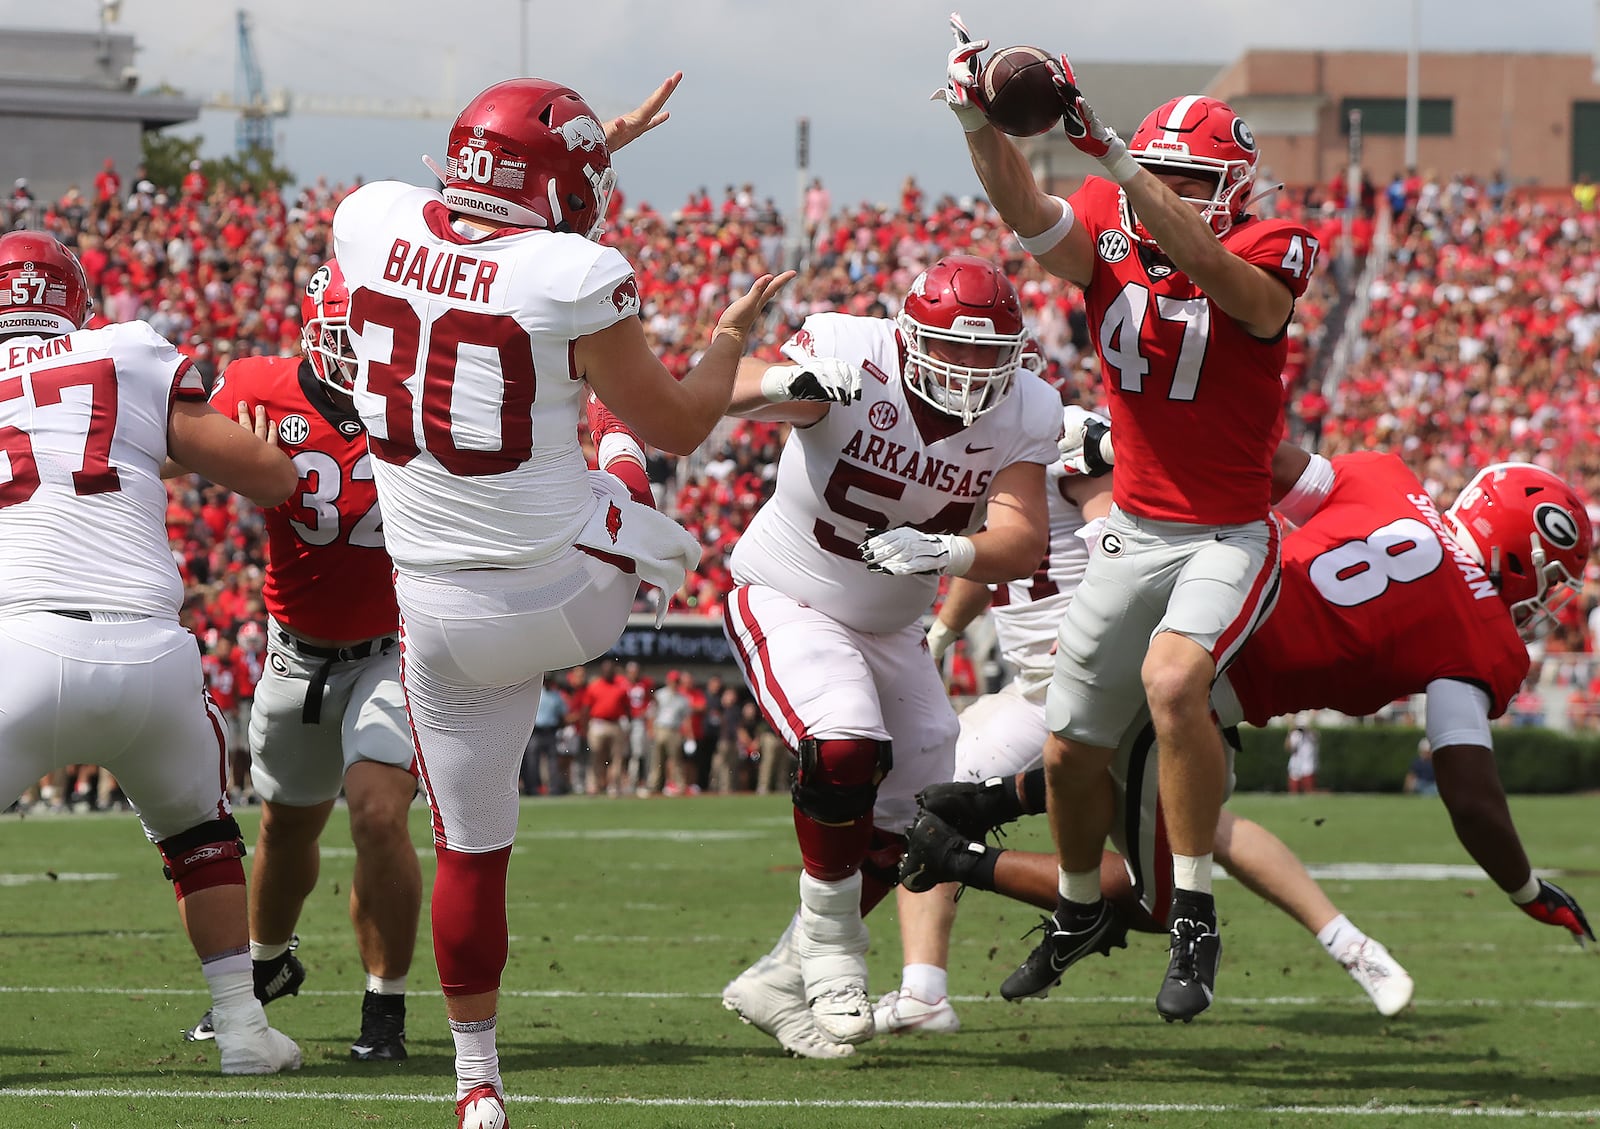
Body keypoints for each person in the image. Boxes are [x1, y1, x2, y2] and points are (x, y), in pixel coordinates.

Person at [332, 73, 792, 1129]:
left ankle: (475, 1083)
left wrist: (572, 158)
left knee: (471, 851)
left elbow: (463, 237)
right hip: (567, 598)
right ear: (560, 188)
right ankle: (624, 474)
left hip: (435, 619)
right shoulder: (574, 269)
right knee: (629, 458)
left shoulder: (367, 219)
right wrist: (726, 343)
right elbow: (684, 423)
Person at [896, 451, 1596, 1015]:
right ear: (1527, 556)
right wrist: (1524, 888)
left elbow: (1261, 462)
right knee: (1153, 900)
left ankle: (987, 804)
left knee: (1117, 776)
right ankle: (956, 857)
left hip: (1160, 604)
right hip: (1184, 693)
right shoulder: (1484, 639)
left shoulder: (1387, 477)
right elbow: (1469, 793)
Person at [940, 17, 1320, 1020]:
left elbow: (1235, 290)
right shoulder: (1114, 217)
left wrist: (1113, 155)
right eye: (1159, 173)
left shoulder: (1274, 243)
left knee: (1171, 678)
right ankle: (1074, 906)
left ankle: (1191, 911)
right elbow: (1027, 212)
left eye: (1187, 179)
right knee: (1067, 746)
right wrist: (979, 124)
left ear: (1229, 190)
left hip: (1226, 532)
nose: (1168, 192)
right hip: (1132, 527)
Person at [718, 253, 1059, 1057]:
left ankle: (780, 971)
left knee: (922, 818)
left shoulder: (1025, 407)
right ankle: (835, 952)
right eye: (954, 347)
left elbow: (1023, 539)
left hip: (894, 628)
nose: (972, 369)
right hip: (789, 593)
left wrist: (949, 551)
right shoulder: (850, 352)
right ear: (906, 337)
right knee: (842, 744)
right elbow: (716, 398)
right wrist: (783, 384)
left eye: (989, 354)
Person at [0, 230, 300, 1074]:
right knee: (200, 833)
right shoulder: (120, 352)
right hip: (150, 651)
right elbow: (268, 476)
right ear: (74, 301)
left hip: (16, 640)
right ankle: (242, 1028)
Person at [175, 260, 422, 1063]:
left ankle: (385, 1006)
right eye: (350, 339)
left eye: (378, 339)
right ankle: (265, 966)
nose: (365, 356)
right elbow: (174, 446)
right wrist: (222, 437)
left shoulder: (427, 401)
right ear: (314, 337)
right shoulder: (257, 386)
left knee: (379, 812)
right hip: (294, 647)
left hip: (393, 647)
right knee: (283, 828)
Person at [1285, 719, 1319, 793]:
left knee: (1309, 789)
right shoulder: (1295, 735)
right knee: (1294, 788)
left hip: (1308, 762)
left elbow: (1316, 738)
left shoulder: (1311, 734)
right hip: (1296, 762)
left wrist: (1308, 730)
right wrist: (1290, 733)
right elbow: (1288, 747)